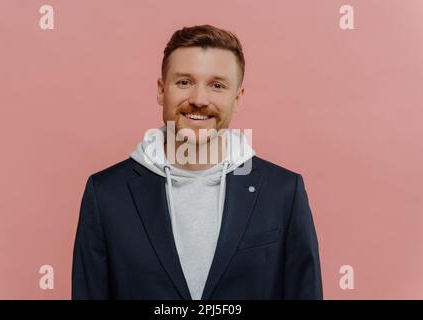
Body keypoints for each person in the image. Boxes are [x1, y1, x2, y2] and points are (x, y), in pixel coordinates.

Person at [72, 24, 323, 300]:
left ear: (237, 97)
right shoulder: (106, 193)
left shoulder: (284, 192)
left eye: (217, 85)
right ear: (160, 90)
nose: (199, 100)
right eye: (184, 82)